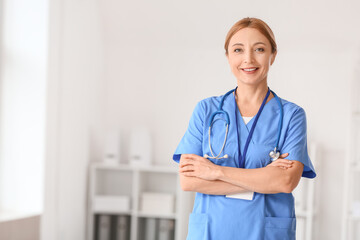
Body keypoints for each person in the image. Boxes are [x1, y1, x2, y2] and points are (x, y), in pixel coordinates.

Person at [172, 17, 316, 240]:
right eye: (238, 50)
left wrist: (215, 172)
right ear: (228, 56)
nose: (248, 59)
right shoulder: (206, 110)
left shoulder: (292, 115)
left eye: (259, 49)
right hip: (212, 230)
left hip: (265, 232)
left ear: (273, 55)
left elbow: (285, 182)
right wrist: (264, 178)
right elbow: (189, 180)